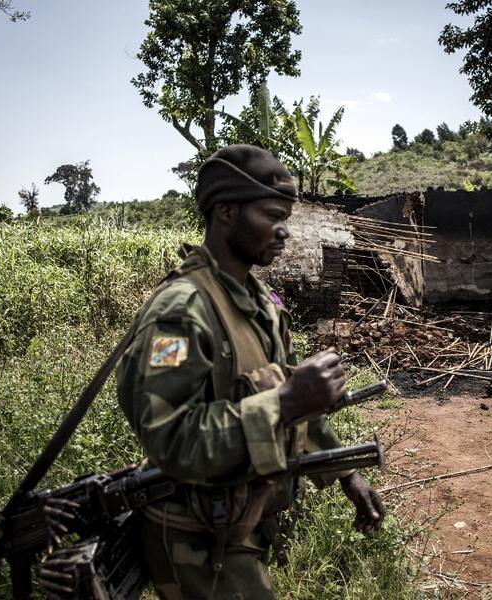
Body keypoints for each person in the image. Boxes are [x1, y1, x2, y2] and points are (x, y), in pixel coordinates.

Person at [116, 144, 384, 600]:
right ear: (226, 212)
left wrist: (346, 472)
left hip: (241, 521)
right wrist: (284, 402)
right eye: (272, 216)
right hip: (193, 538)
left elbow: (290, 398)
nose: (283, 233)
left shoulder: (259, 302)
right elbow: (169, 440)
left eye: (287, 219)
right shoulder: (182, 313)